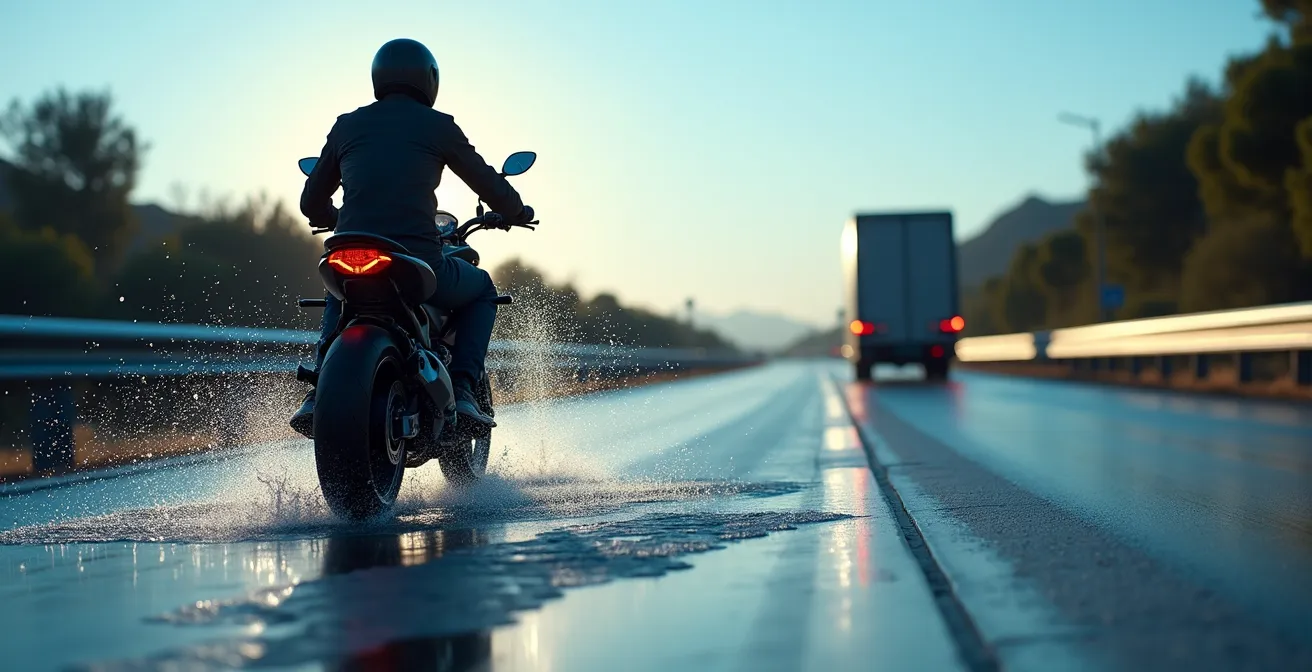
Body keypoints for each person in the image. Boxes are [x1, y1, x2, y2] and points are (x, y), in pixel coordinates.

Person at [290, 37, 534, 438]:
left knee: (341, 292)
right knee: (483, 289)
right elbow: (487, 181)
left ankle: (319, 388)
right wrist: (517, 212)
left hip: (347, 251)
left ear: (378, 77)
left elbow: (310, 203)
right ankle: (463, 388)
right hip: (417, 260)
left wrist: (334, 218)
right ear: (429, 79)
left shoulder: (347, 125)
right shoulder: (438, 126)